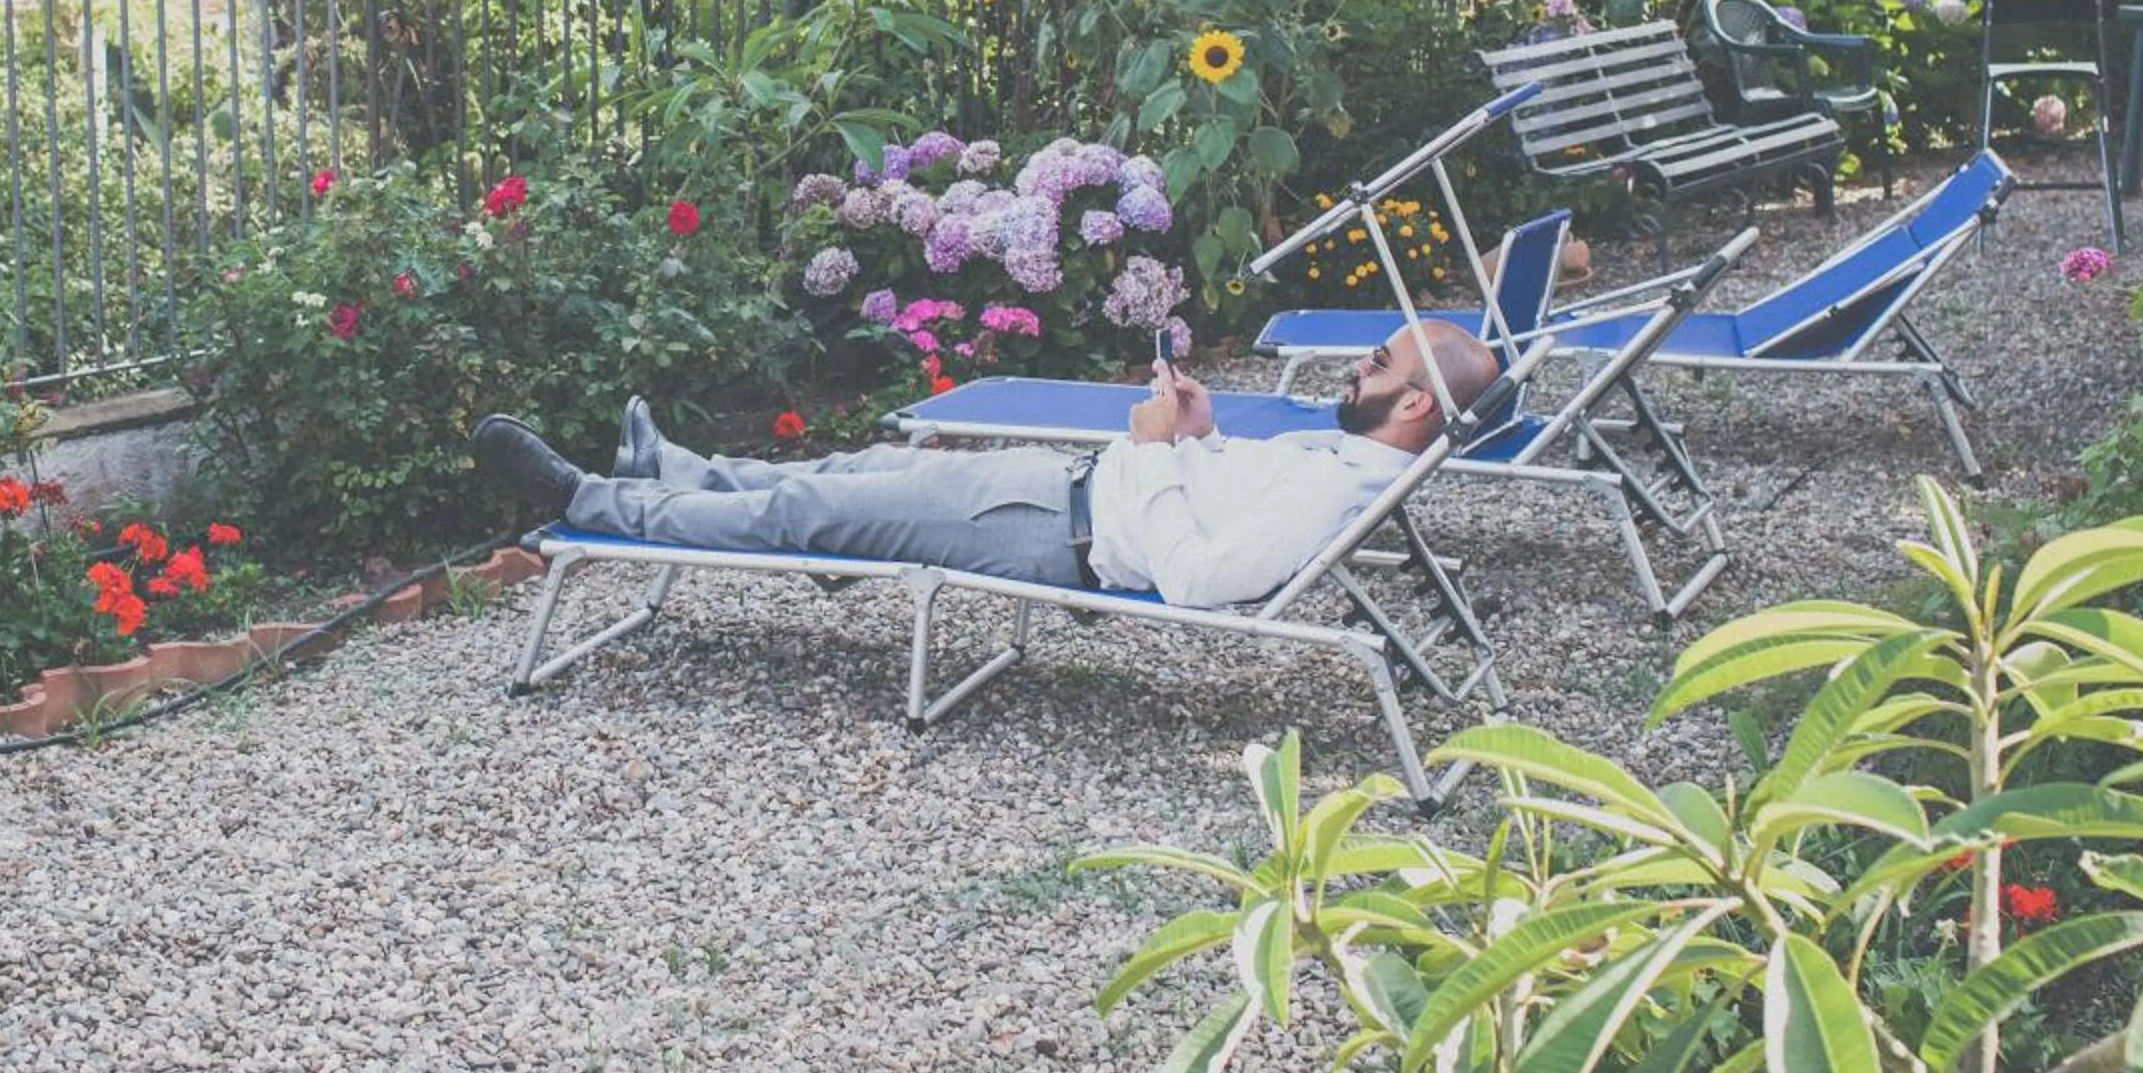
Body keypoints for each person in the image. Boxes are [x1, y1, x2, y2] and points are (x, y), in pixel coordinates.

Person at [468, 322, 1501, 609]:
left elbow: (1196, 577)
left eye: (1382, 363)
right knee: (856, 464)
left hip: (1053, 533)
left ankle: (589, 500)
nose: (1360, 364)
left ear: (1416, 404)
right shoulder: (1334, 457)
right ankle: (674, 466)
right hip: (1058, 494)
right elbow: (1217, 496)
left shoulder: (1330, 486)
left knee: (806, 511)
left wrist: (1153, 451)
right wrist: (1200, 432)